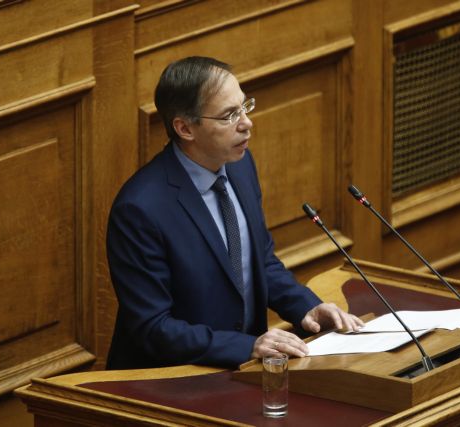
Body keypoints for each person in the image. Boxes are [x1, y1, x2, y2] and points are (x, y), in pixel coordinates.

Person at [106, 56, 363, 369]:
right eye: (229, 115)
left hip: (246, 370)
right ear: (185, 128)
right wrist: (245, 347)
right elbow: (153, 327)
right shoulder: (140, 208)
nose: (246, 123)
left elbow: (260, 261)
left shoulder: (239, 166)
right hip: (172, 378)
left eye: (245, 107)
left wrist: (306, 308)